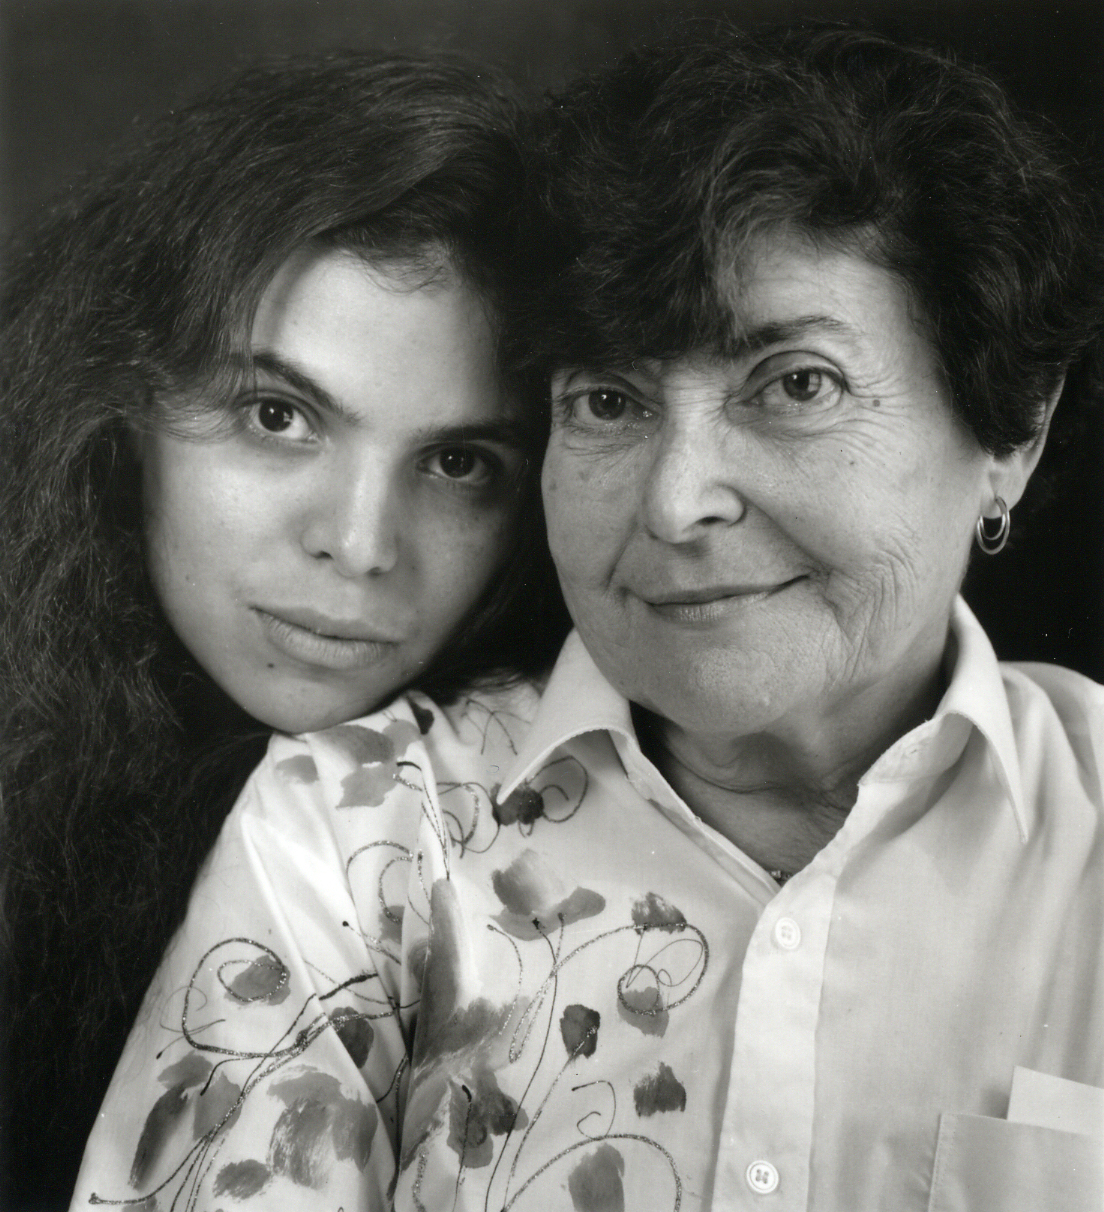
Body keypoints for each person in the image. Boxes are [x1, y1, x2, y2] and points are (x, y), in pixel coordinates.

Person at [70, 25, 1103, 1212]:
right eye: (608, 401)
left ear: (1011, 432)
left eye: (796, 386)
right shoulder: (357, 840)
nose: (675, 500)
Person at [0, 52, 568, 1211]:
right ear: (120, 399)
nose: (361, 544)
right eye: (278, 416)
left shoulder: (539, 825)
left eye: (459, 464)